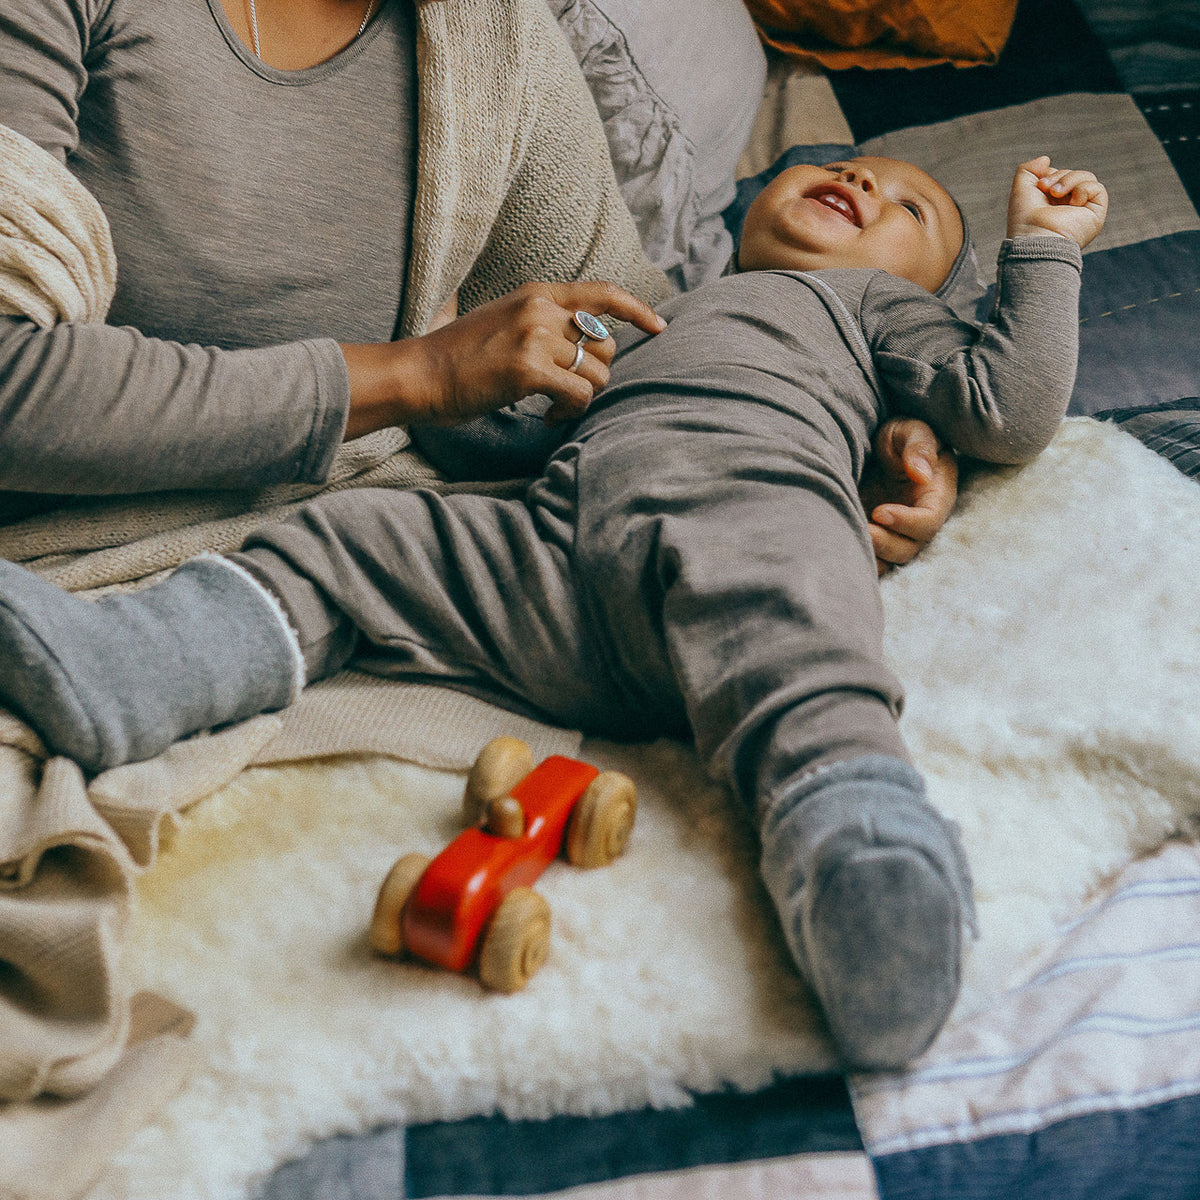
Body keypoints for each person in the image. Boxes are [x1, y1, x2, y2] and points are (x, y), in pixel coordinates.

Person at [0, 148, 1107, 1068]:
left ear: (922, 289)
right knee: (363, 540)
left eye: (906, 204)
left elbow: (1004, 409)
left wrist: (1044, 250)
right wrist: (462, 369)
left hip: (749, 512)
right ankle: (138, 667)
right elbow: (519, 432)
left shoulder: (866, 308)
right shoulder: (659, 310)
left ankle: (863, 869)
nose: (861, 183)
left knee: (803, 659)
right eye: (843, 163)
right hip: (560, 563)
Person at [0, 0, 952, 566]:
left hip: (298, 570)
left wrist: (855, 426)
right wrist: (410, 376)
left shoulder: (488, 41)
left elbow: (639, 338)